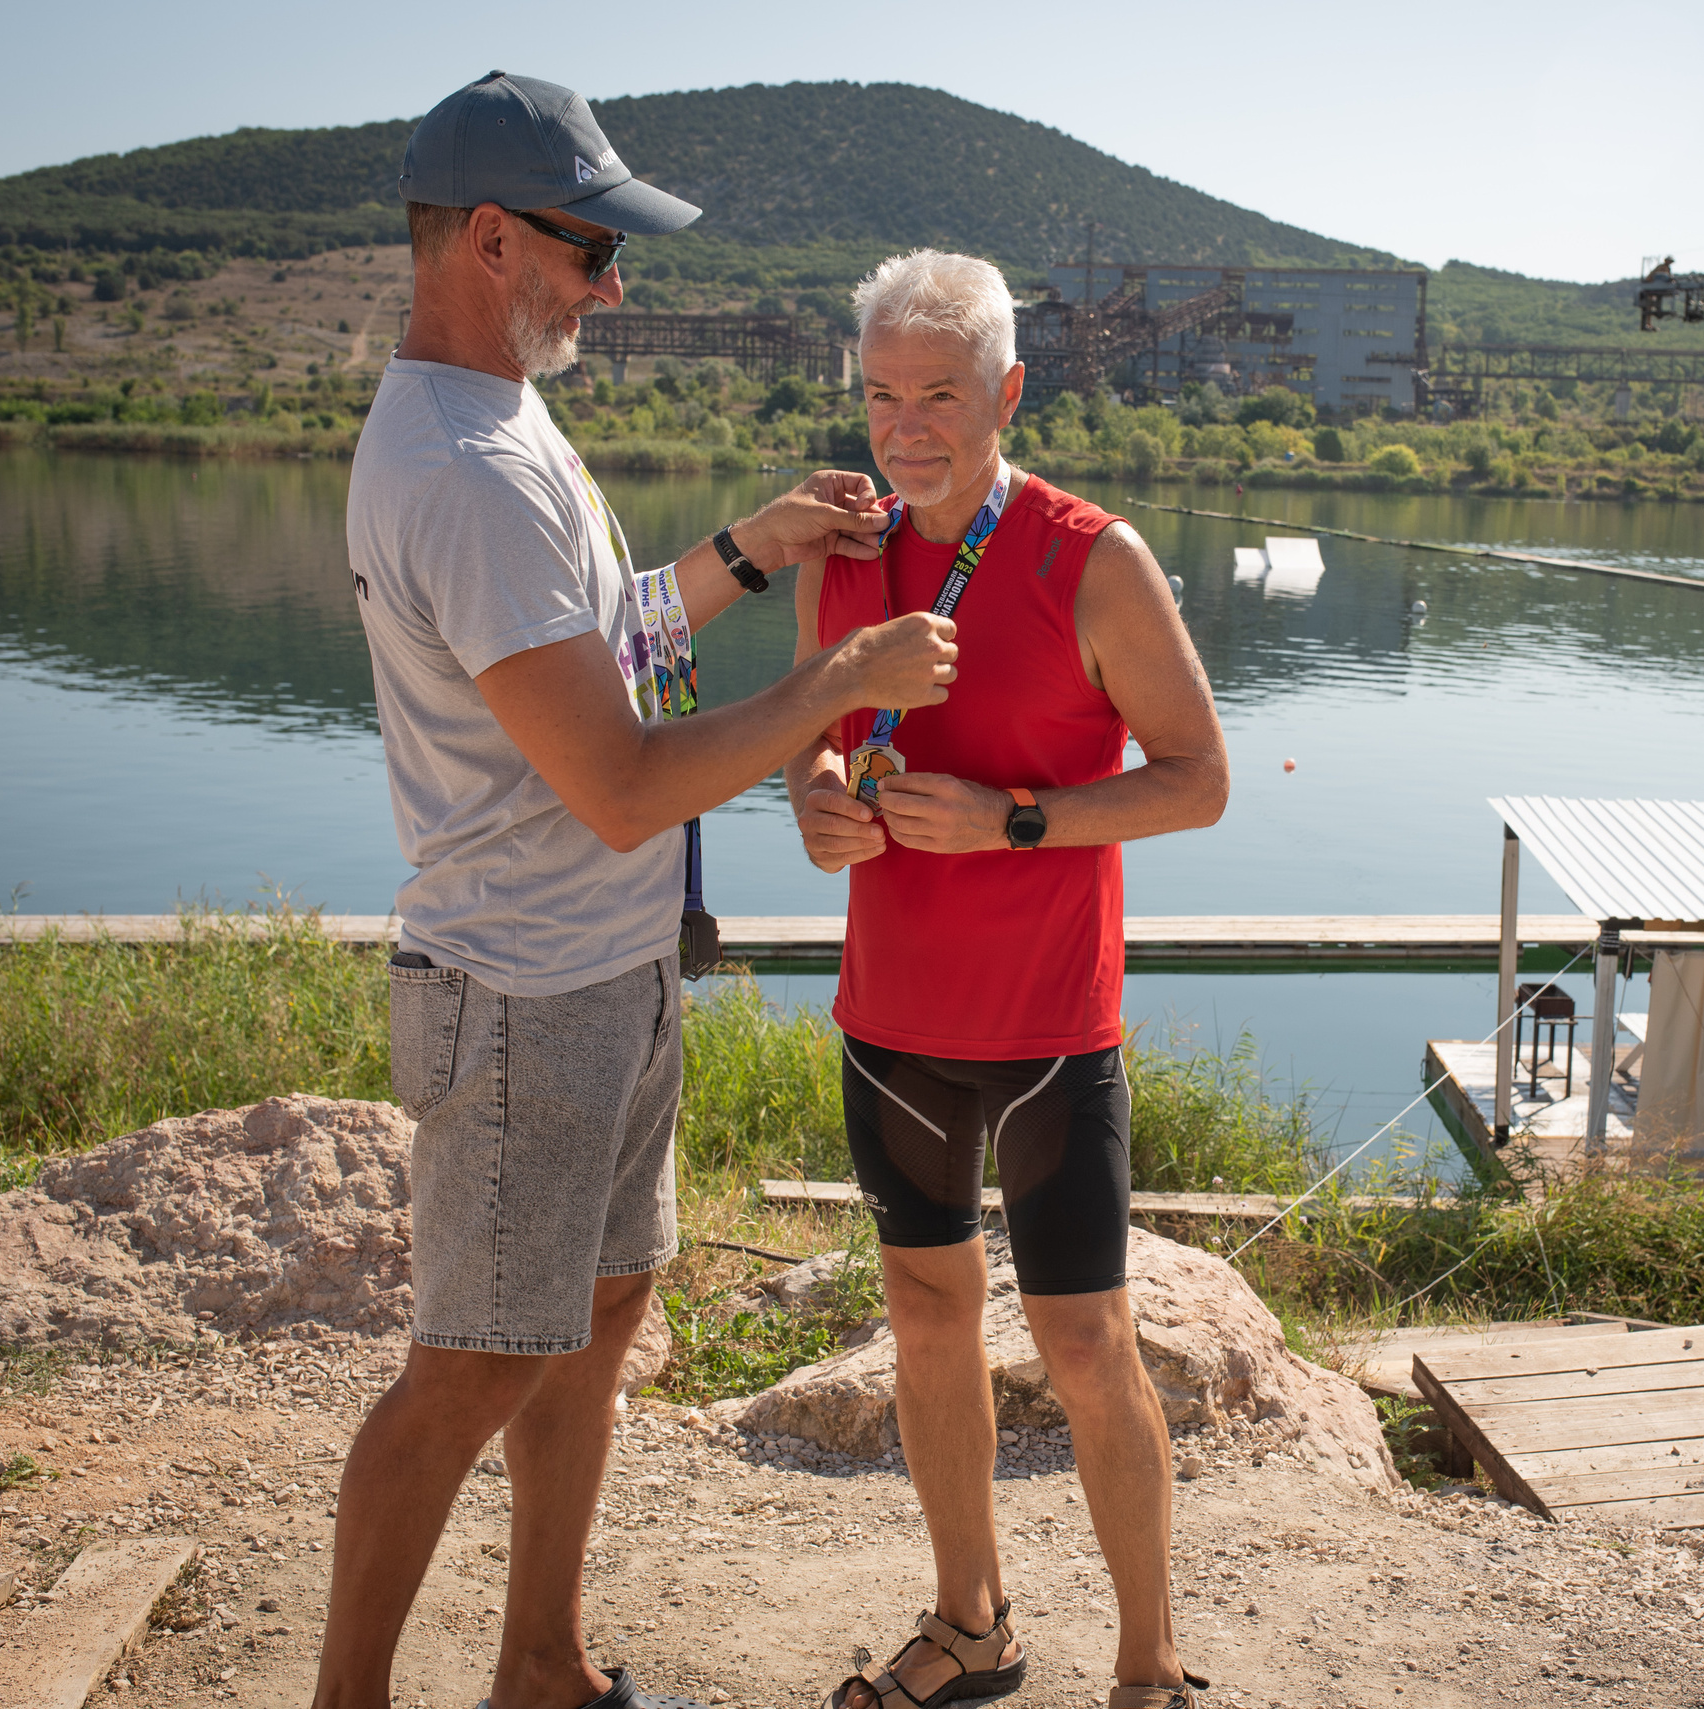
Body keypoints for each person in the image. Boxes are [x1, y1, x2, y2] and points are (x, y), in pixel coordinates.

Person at [322, 72, 957, 1709]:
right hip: (526, 992)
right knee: (464, 1368)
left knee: (597, 1321)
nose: (617, 285)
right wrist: (838, 683)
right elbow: (616, 779)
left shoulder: (505, 420)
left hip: (604, 975)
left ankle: (543, 1667)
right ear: (486, 240)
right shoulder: (459, 467)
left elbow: (600, 654)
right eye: (592, 251)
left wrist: (747, 552)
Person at [788, 251, 1230, 1709]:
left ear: (1008, 394)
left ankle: (1150, 1660)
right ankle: (970, 1622)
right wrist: (820, 792)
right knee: (923, 1315)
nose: (904, 428)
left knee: (1086, 1340)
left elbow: (1198, 781)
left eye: (940, 396)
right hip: (891, 1019)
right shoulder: (844, 550)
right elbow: (816, 733)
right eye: (880, 396)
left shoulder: (1089, 554)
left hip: (1047, 1026)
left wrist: (1013, 819)